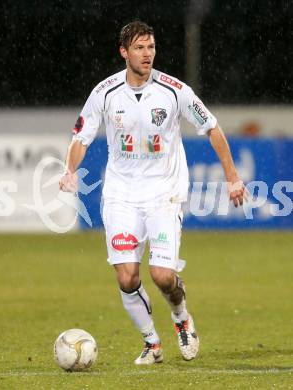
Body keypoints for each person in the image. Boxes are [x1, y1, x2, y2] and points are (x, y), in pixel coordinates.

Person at [59, 21, 247, 365]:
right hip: (120, 194)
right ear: (124, 52)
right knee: (127, 275)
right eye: (140, 48)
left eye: (151, 47)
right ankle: (152, 343)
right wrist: (70, 170)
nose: (148, 54)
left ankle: (181, 317)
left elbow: (212, 127)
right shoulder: (105, 92)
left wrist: (233, 177)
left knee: (162, 276)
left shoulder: (175, 91)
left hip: (164, 192)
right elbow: (81, 136)